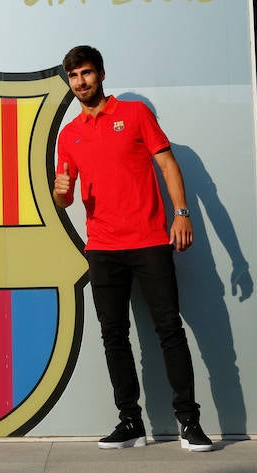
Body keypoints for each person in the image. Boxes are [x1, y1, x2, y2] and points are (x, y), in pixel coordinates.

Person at [52, 45, 214, 452]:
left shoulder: (136, 115)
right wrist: (59, 193)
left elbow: (168, 164)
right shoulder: (69, 134)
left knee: (169, 332)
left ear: (101, 74)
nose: (80, 82)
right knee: (113, 336)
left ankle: (189, 423)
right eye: (73, 76)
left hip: (150, 242)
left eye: (86, 73)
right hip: (102, 248)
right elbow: (65, 198)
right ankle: (130, 422)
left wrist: (182, 213)